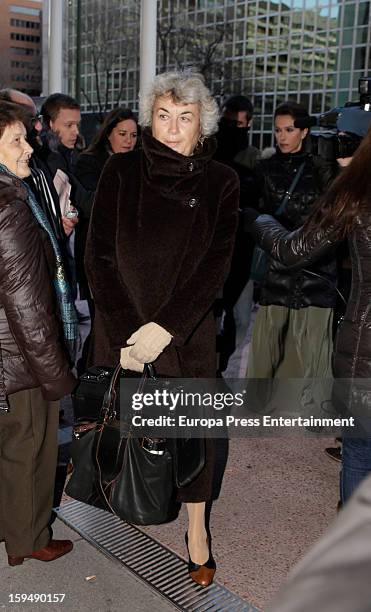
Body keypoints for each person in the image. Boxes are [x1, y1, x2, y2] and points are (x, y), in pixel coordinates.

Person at [85, 71, 239, 587]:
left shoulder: (222, 181)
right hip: (123, 330)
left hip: (187, 332)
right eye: (165, 117)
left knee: (194, 436)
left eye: (185, 118)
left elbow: (215, 267)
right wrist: (133, 333)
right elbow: (98, 256)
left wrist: (166, 328)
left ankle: (197, 530)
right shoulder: (121, 171)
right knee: (133, 428)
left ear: (203, 124)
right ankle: (126, 501)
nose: (172, 130)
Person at [246, 109, 371, 505]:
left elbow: (292, 249)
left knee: (359, 451)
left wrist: (258, 220)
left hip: (365, 349)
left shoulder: (356, 189)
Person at [0, 100, 77, 565]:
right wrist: (55, 375)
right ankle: (28, 540)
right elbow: (27, 304)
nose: (29, 148)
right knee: (28, 450)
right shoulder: (9, 205)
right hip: (20, 358)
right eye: (16, 140)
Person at [247, 101, 336, 411]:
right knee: (271, 340)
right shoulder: (264, 169)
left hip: (316, 268)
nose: (282, 136)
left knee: (309, 340)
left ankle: (306, 409)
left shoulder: (323, 168)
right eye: (277, 130)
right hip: (277, 266)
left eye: (289, 130)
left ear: (304, 131)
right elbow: (252, 212)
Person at [214, 95, 260, 375]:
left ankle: (222, 367)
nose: (234, 129)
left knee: (242, 318)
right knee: (218, 315)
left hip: (242, 249)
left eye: (239, 124)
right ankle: (215, 371)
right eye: (229, 123)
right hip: (218, 247)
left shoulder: (253, 158)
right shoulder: (214, 151)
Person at [75, 107, 138, 192]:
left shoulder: (140, 164)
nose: (129, 140)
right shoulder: (88, 163)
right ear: (108, 134)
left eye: (133, 135)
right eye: (122, 134)